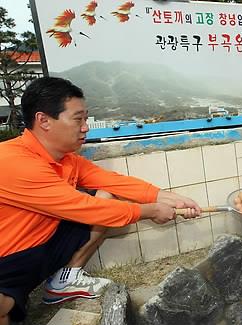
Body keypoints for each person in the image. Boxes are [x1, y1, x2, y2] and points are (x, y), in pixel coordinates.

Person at [0, 77, 201, 325]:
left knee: (107, 195)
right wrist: (151, 211)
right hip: (9, 261)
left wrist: (173, 199)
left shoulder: (67, 158)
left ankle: (64, 281)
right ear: (44, 121)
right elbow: (85, 208)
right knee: (6, 309)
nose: (86, 127)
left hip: (42, 246)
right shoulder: (12, 161)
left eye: (86, 119)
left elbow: (113, 181)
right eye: (78, 119)